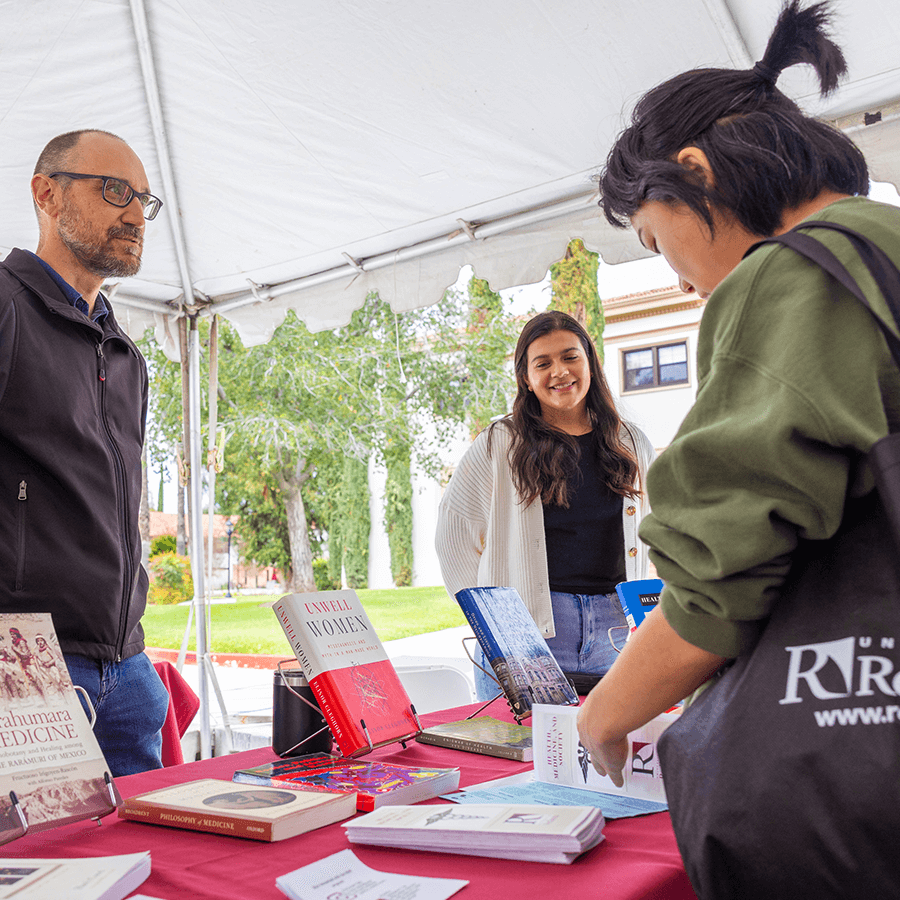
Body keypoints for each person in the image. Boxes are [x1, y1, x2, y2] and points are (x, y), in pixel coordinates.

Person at [576, 0, 900, 891]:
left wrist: (605, 715)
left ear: (696, 170)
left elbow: (724, 566)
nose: (678, 280)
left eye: (655, 240)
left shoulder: (799, 271)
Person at [0, 129, 170, 775]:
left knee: (150, 873)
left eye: (144, 200)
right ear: (47, 193)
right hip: (23, 664)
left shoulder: (124, 351)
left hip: (126, 667)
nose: (134, 214)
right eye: (115, 190)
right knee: (35, 875)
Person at [436, 310, 655, 698]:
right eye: (543, 363)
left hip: (616, 632)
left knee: (604, 753)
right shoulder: (501, 442)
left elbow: (655, 532)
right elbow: (454, 536)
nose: (560, 372)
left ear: (590, 362)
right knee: (522, 754)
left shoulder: (631, 442)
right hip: (523, 633)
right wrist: (492, 620)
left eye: (571, 357)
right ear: (526, 377)